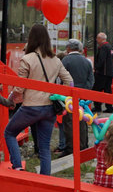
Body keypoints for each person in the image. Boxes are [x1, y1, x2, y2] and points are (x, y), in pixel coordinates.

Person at [5, 24, 73, 175]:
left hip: (31, 107)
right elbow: (70, 81)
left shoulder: (27, 59)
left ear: (31, 39)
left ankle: (17, 167)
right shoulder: (55, 60)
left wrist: (10, 100)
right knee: (44, 147)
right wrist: (61, 96)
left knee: (9, 132)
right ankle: (45, 178)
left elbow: (19, 88)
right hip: (50, 108)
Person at [58, 39, 94, 156]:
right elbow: (91, 80)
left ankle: (71, 148)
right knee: (82, 121)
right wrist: (84, 91)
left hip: (69, 97)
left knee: (69, 122)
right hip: (83, 96)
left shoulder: (65, 60)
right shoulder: (87, 61)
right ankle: (83, 146)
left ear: (68, 48)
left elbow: (60, 79)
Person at [93, 33, 113, 112]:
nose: (96, 40)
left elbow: (101, 60)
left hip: (102, 73)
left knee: (96, 89)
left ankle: (97, 106)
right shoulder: (110, 47)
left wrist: (96, 67)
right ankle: (109, 107)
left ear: (101, 39)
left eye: (97, 38)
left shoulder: (103, 48)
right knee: (107, 90)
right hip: (109, 72)